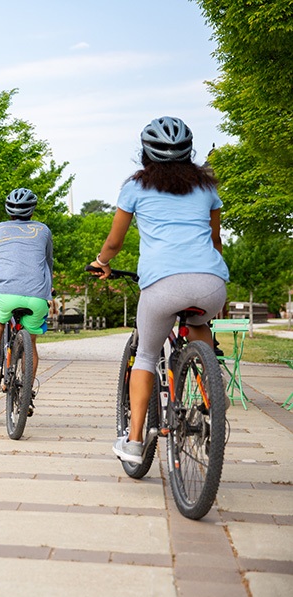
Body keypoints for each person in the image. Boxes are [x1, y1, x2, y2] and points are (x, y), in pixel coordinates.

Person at [90, 116, 229, 464]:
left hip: (162, 284)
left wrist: (101, 262)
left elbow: (115, 241)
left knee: (148, 356)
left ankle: (134, 441)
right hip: (211, 283)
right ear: (189, 152)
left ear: (145, 153)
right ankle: (213, 390)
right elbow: (215, 240)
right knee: (198, 324)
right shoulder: (207, 189)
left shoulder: (135, 188)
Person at [0, 188, 53, 413]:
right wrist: (47, 289)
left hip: (7, 294)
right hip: (37, 297)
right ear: (32, 210)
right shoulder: (43, 231)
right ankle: (26, 394)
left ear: (8, 210)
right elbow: (48, 262)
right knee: (30, 345)